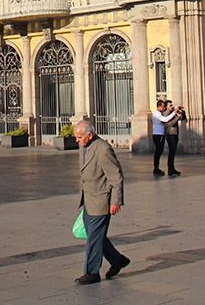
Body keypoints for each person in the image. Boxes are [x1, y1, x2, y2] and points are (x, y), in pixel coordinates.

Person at [73, 120, 128, 285]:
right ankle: (117, 260)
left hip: (101, 200)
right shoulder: (84, 146)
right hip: (88, 199)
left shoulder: (103, 150)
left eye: (79, 137)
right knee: (94, 235)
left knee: (93, 239)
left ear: (89, 135)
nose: (77, 140)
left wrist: (115, 201)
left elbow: (116, 177)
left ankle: (91, 272)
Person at [151, 100, 177, 176]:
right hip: (158, 135)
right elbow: (165, 119)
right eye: (162, 107)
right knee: (158, 152)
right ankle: (156, 169)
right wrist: (174, 113)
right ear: (158, 106)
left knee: (159, 152)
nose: (164, 108)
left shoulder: (159, 113)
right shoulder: (156, 114)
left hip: (159, 134)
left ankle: (156, 168)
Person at [163, 100, 185, 177]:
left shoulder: (173, 113)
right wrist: (177, 117)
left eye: (172, 105)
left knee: (173, 152)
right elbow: (169, 124)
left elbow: (183, 119)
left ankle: (172, 168)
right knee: (171, 152)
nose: (172, 107)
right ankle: (170, 169)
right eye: (170, 105)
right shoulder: (165, 114)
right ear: (166, 107)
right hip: (170, 134)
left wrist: (182, 112)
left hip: (175, 134)